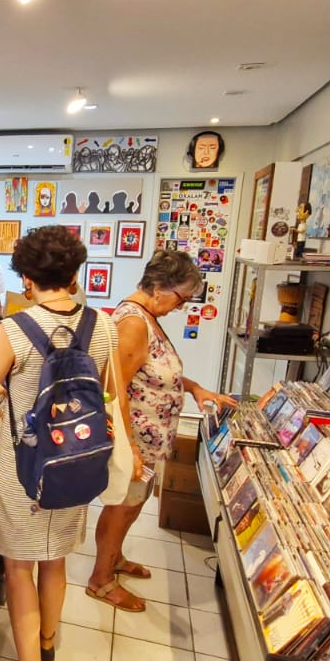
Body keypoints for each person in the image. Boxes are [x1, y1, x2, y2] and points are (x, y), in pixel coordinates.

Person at [0, 225, 116, 661]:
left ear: (27, 277)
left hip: (23, 467)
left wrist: (13, 388)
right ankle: (46, 645)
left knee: (18, 568)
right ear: (74, 274)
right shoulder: (104, 325)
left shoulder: (15, 329)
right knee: (56, 560)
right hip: (76, 463)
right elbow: (103, 392)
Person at [88, 251, 234, 611]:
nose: (181, 308)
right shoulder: (134, 323)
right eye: (180, 299)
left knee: (133, 504)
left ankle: (115, 559)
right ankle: (100, 580)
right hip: (134, 440)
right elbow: (115, 387)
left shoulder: (148, 317)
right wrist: (132, 450)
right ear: (158, 288)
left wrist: (195, 387)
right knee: (121, 507)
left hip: (148, 442)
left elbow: (156, 371)